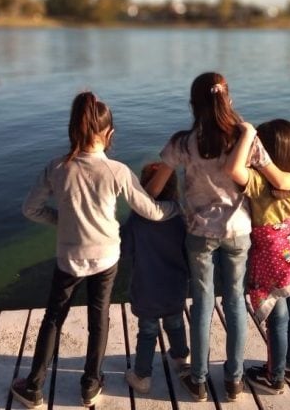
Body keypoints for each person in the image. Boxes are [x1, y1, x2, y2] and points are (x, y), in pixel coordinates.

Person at [145, 72, 290, 402]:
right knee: (235, 302)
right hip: (239, 233)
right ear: (228, 100)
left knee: (204, 305)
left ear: (194, 105)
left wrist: (158, 203)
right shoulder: (245, 140)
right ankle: (234, 381)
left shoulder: (181, 143)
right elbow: (278, 179)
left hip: (199, 235)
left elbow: (153, 189)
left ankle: (199, 380)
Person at [10, 92, 180, 409]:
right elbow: (151, 212)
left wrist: (60, 220)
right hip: (106, 258)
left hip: (69, 259)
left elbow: (30, 210)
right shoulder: (117, 171)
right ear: (109, 134)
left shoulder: (56, 168)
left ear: (73, 129)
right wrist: (175, 207)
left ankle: (33, 386)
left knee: (53, 319)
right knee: (98, 319)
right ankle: (90, 384)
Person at [225, 119, 290, 395]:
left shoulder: (258, 181)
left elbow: (234, 170)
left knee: (278, 318)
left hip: (273, 258)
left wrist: (246, 137)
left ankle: (274, 377)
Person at [121, 163, 190, 394]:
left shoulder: (137, 221)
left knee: (148, 331)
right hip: (175, 287)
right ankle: (181, 359)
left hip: (146, 288)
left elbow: (125, 250)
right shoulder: (181, 217)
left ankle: (142, 376)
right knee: (176, 323)